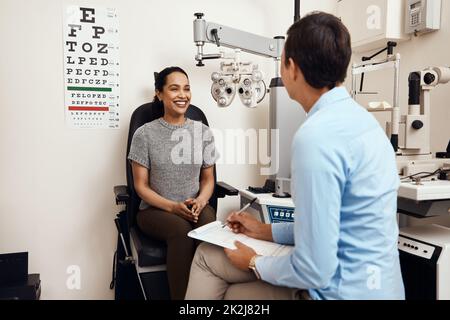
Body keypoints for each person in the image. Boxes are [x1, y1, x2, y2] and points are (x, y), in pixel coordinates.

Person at [185, 12, 405, 300]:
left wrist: (254, 262)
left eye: (281, 59)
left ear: (293, 68)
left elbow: (315, 269)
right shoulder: (365, 124)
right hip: (382, 288)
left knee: (211, 264)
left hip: (339, 291)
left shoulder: (316, 136)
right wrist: (263, 230)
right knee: (226, 279)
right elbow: (330, 227)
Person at [128, 66, 218, 300]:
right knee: (180, 231)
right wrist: (172, 207)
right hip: (155, 211)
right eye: (174, 88)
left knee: (209, 226)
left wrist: (200, 200)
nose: (183, 94)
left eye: (187, 89)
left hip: (193, 206)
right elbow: (141, 186)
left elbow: (208, 180)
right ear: (159, 93)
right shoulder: (144, 134)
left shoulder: (203, 132)